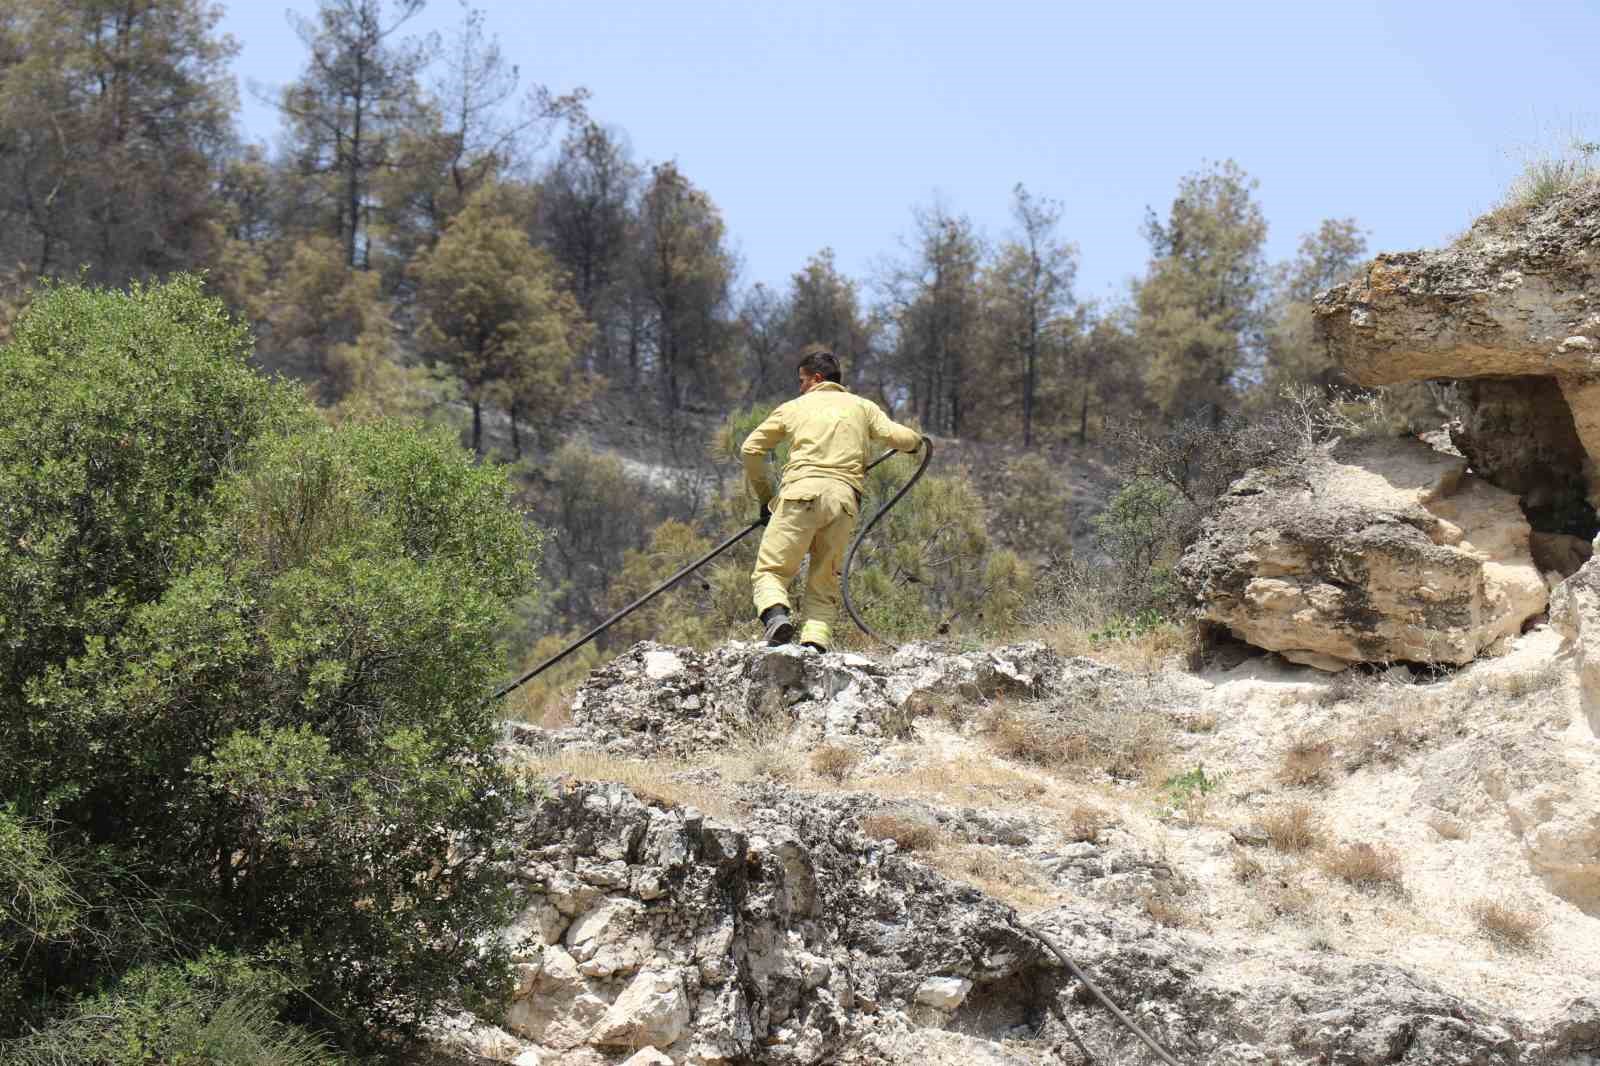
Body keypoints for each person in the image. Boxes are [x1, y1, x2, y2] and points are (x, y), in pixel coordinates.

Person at [740, 346, 921, 652]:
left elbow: (750, 449)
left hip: (800, 495)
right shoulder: (863, 407)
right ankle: (814, 646)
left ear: (816, 378)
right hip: (843, 502)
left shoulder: (794, 407)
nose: (800, 387)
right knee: (824, 583)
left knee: (771, 571)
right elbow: (899, 437)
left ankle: (776, 616)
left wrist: (766, 498)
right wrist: (916, 443)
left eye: (802, 380)